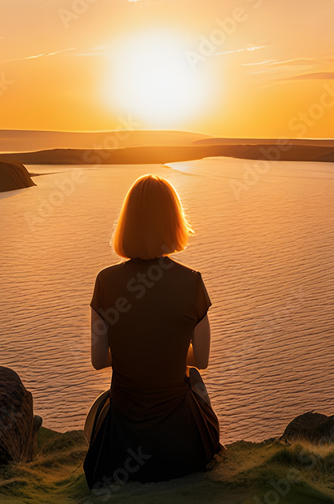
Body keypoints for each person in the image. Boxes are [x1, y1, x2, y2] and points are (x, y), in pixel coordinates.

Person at [83, 174, 223, 488]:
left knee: (103, 406)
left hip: (119, 453)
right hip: (185, 450)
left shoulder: (105, 282)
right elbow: (201, 360)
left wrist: (136, 351)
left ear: (126, 223)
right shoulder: (192, 282)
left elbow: (98, 360)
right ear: (174, 222)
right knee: (195, 380)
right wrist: (169, 353)